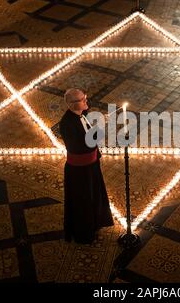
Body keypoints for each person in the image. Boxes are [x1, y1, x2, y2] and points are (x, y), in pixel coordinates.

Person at [59, 88, 114, 244]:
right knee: (82, 202)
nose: (86, 101)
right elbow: (83, 145)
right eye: (83, 99)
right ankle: (84, 234)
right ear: (71, 104)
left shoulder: (83, 114)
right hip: (79, 171)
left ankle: (96, 223)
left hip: (91, 165)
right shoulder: (67, 124)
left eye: (85, 98)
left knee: (94, 196)